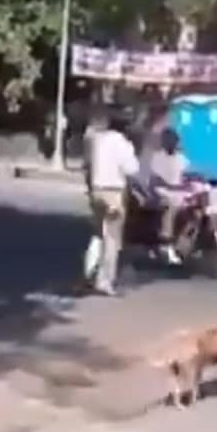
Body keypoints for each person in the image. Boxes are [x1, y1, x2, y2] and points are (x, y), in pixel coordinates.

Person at [83, 108, 140, 296]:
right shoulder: (123, 143)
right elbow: (132, 169)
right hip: (114, 193)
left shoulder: (97, 140)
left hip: (96, 191)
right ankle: (105, 281)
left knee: (98, 233)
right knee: (112, 239)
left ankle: (89, 270)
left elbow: (88, 166)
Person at [148, 127, 191, 264]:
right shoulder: (158, 157)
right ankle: (166, 238)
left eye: (174, 141)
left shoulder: (181, 158)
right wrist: (170, 186)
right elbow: (155, 180)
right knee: (171, 206)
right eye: (168, 141)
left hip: (179, 192)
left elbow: (186, 175)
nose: (171, 144)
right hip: (163, 192)